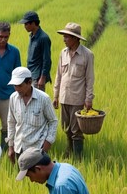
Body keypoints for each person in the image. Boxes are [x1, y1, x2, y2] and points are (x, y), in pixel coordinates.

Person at [53, 22, 95, 159]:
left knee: (76, 130)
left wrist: (89, 98)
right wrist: (55, 95)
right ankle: (69, 151)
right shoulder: (62, 53)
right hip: (64, 97)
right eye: (64, 36)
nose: (64, 39)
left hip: (77, 98)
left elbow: (90, 78)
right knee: (66, 127)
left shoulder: (87, 55)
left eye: (67, 37)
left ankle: (78, 157)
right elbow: (58, 75)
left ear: (75, 38)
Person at [7, 67, 58, 163]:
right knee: (21, 176)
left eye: (20, 85)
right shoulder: (13, 98)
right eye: (15, 86)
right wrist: (10, 146)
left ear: (29, 82)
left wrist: (47, 145)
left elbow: (53, 121)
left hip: (37, 149)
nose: (17, 89)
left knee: (36, 176)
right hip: (19, 147)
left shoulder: (43, 99)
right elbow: (11, 122)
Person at [18, 11, 52, 91]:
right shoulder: (32, 36)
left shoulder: (43, 38)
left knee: (37, 100)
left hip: (38, 77)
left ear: (33, 23)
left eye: (26, 24)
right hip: (31, 74)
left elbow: (47, 60)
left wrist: (42, 78)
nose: (24, 26)